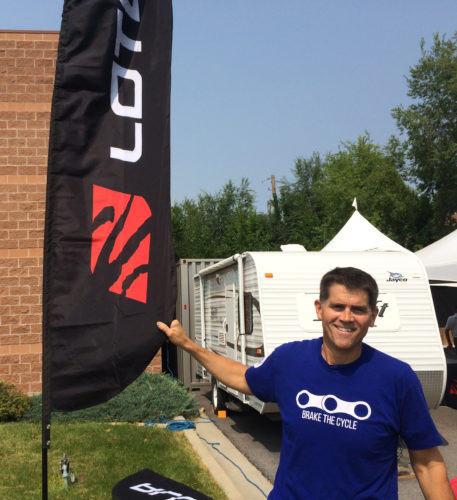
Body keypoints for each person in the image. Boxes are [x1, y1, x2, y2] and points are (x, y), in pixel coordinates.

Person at [157, 267, 453, 499]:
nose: (347, 318)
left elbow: (427, 462)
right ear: (319, 309)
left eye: (359, 309)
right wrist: (188, 345)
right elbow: (241, 377)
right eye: (337, 306)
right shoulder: (290, 359)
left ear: (373, 316)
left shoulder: (397, 378)